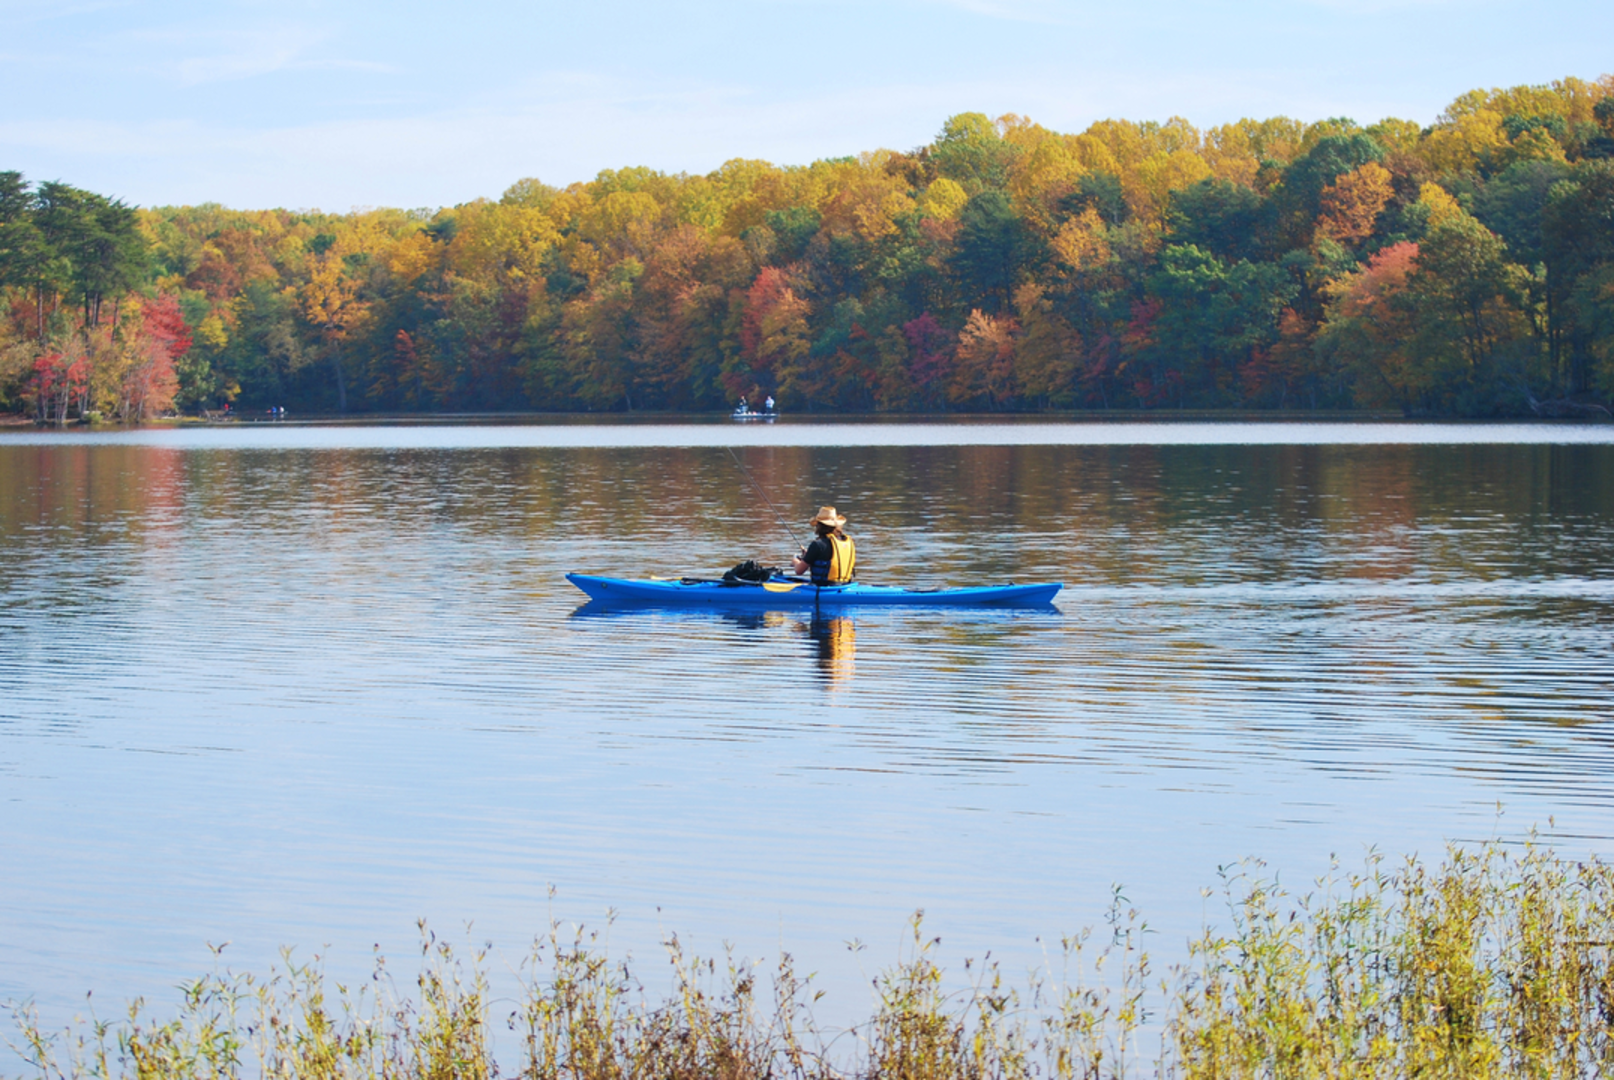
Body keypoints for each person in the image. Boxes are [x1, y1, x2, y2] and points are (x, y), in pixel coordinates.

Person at [792, 506, 856, 585]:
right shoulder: (848, 541)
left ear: (819, 525)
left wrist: (795, 561)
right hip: (845, 586)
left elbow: (799, 571)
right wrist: (808, 555)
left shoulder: (817, 544)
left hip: (823, 589)